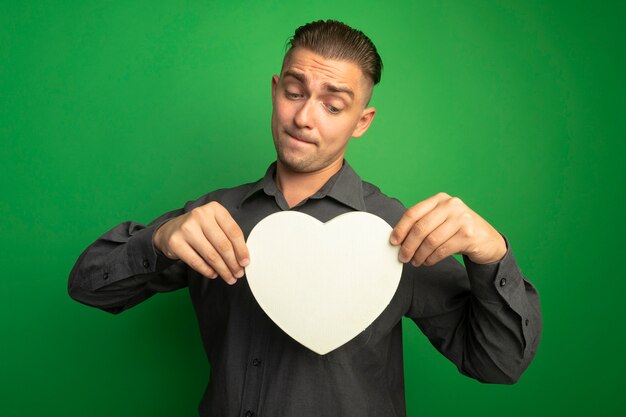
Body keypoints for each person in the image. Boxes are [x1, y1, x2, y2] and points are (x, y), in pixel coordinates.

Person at [69, 19, 542, 417]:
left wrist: (492, 254)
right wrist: (159, 239)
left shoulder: (395, 233)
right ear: (275, 91)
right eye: (294, 92)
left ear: (361, 121)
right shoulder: (214, 216)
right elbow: (88, 287)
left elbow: (498, 363)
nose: (304, 118)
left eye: (333, 105)